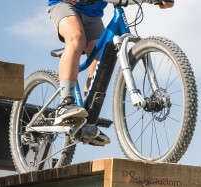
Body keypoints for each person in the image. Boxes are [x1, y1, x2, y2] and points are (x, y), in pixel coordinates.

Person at [46, 0, 173, 130]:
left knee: (101, 59)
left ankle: (87, 121)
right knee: (77, 38)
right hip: (64, 5)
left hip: (92, 15)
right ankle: (65, 104)